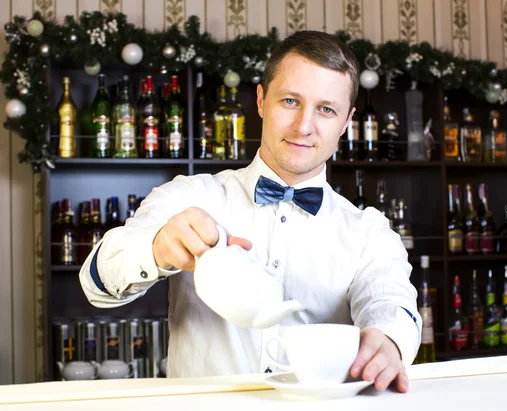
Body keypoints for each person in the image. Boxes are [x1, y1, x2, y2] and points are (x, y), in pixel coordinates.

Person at [79, 30, 421, 393]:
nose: (304, 126)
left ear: (346, 120)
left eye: (326, 109)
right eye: (290, 101)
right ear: (260, 100)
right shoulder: (191, 195)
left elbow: (391, 302)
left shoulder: (368, 231)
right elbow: (96, 283)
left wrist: (389, 340)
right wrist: (157, 248)